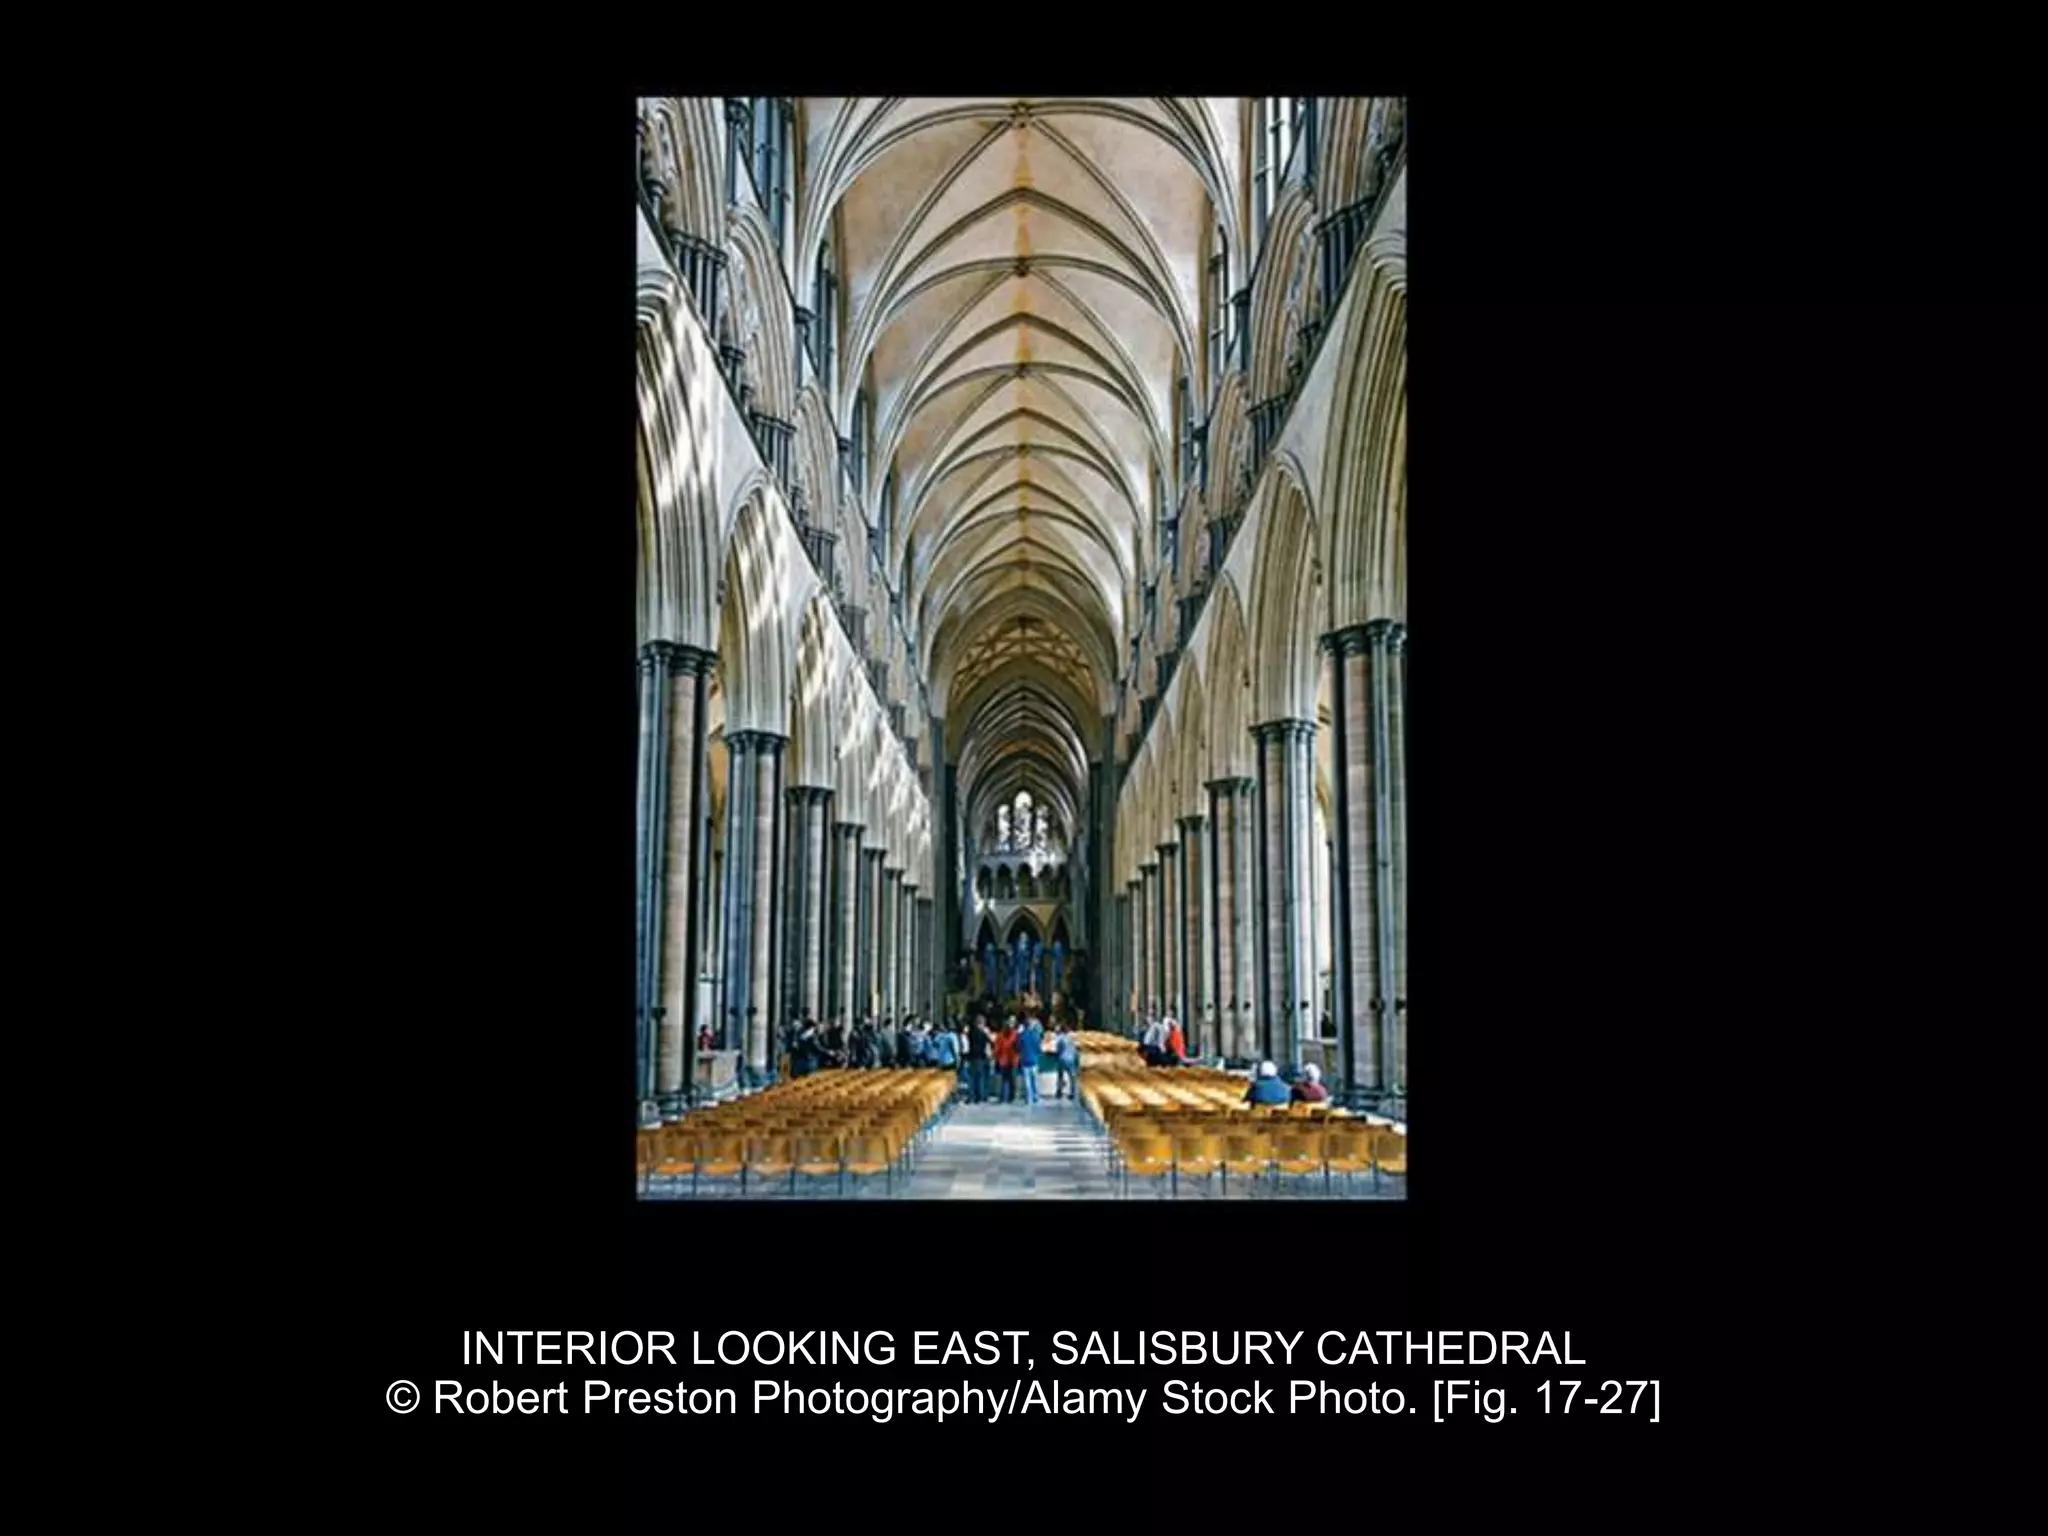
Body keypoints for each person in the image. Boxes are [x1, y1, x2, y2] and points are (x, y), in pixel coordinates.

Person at [1017, 1012, 1044, 1105]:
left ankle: (1029, 1099)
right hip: (1034, 1060)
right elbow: (1038, 1048)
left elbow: (1018, 1047)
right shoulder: (1035, 1035)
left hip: (1025, 1060)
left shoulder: (1021, 1036)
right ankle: (1036, 1097)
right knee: (1035, 1081)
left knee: (1027, 1082)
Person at [966, 1012, 993, 1103]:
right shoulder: (982, 1033)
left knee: (972, 1078)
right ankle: (980, 1097)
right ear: (981, 1023)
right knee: (980, 1077)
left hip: (972, 1056)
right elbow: (990, 1042)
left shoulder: (971, 1032)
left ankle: (971, 1096)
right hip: (981, 1057)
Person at [994, 1017, 1019, 1102]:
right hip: (1011, 1060)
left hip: (1005, 1061)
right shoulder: (1015, 1035)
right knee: (1011, 1080)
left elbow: (997, 1049)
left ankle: (1003, 1097)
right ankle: (1011, 1097)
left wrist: (997, 1058)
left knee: (1004, 1080)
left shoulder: (1000, 1035)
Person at [1053, 1021, 1079, 1100]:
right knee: (1072, 1077)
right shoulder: (1073, 1037)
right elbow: (1076, 1049)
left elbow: (1058, 1049)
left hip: (1062, 1059)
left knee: (1060, 1075)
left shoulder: (1060, 1038)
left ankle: (1059, 1092)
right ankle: (1073, 1093)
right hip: (1071, 1059)